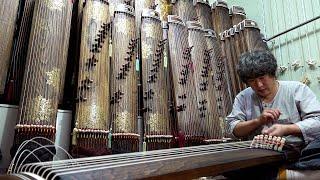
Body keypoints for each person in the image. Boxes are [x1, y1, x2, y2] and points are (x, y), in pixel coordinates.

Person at [224, 50, 320, 179]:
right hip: (260, 156)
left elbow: (317, 121)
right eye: (252, 80)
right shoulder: (243, 97)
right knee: (229, 168)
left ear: (273, 74)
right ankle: (292, 175)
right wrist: (258, 121)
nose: (259, 85)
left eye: (262, 77)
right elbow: (232, 129)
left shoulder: (297, 89)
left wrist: (286, 128)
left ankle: (289, 173)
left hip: (299, 153)